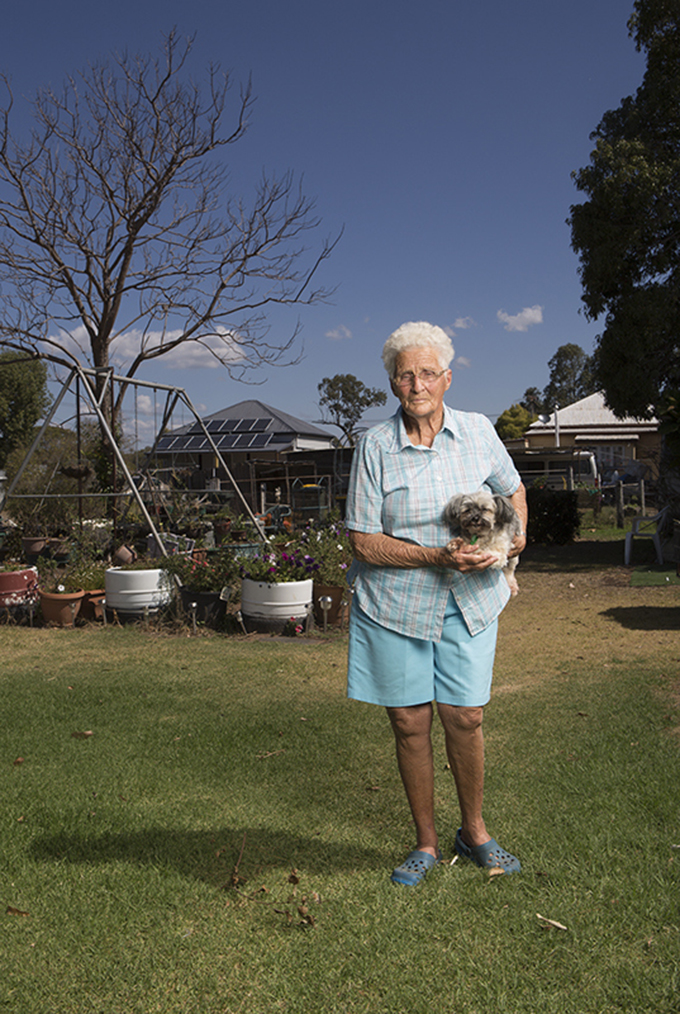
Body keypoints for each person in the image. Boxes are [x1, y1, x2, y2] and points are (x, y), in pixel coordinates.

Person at [345, 321, 527, 886]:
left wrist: (514, 539)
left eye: (427, 373)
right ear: (393, 384)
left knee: (465, 717)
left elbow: (513, 489)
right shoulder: (375, 446)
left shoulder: (477, 431)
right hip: (396, 602)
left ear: (447, 377)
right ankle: (425, 842)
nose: (416, 384)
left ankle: (473, 830)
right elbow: (362, 541)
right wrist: (434, 557)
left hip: (470, 602)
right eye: (405, 375)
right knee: (409, 722)